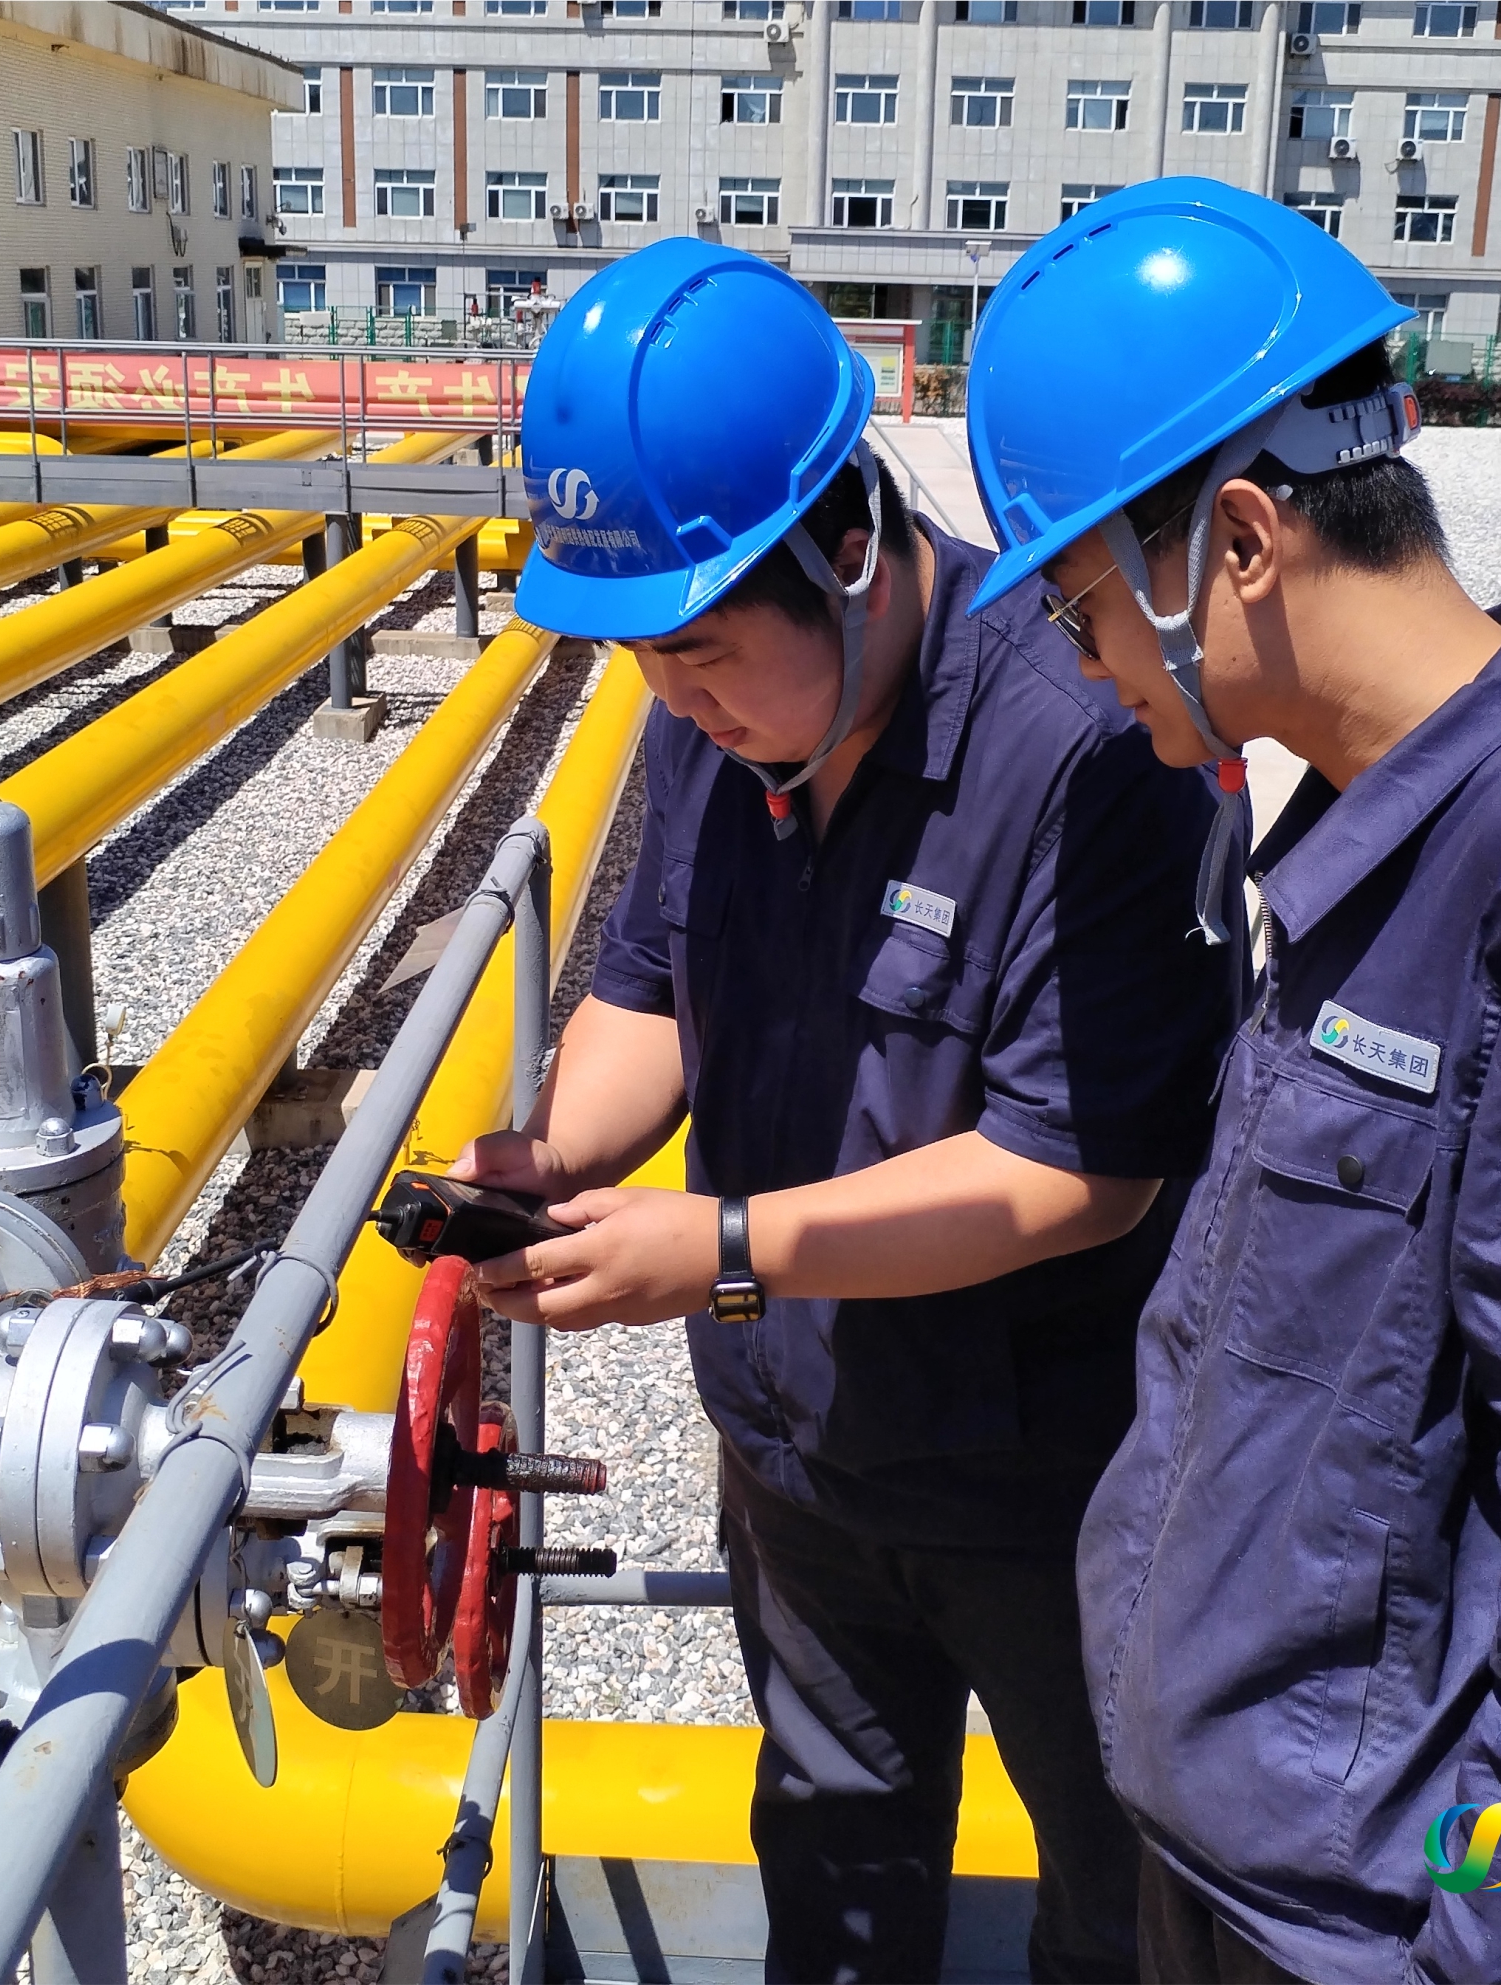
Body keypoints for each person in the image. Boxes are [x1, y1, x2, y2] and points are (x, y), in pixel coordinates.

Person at [960, 179, 1501, 1983]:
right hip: (1242, 1852)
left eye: (1082, 607)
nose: (1087, 670)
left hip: (1373, 1931)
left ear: (1236, 542)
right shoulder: (1382, 833)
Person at [453, 237, 1238, 1982]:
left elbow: (1080, 1172)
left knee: (1117, 1888)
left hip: (1055, 1478)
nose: (676, 697)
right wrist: (552, 1158)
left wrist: (723, 1246)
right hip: (802, 1458)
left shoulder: (1088, 747)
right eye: (643, 660)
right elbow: (650, 989)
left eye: (704, 651)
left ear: (851, 552)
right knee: (834, 1851)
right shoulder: (709, 718)